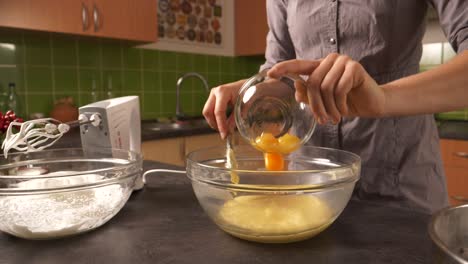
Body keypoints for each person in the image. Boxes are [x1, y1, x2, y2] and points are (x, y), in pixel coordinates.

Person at [203, 0, 468, 213]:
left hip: (400, 181)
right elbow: (279, 71)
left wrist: (383, 97)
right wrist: (248, 88)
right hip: (309, 186)